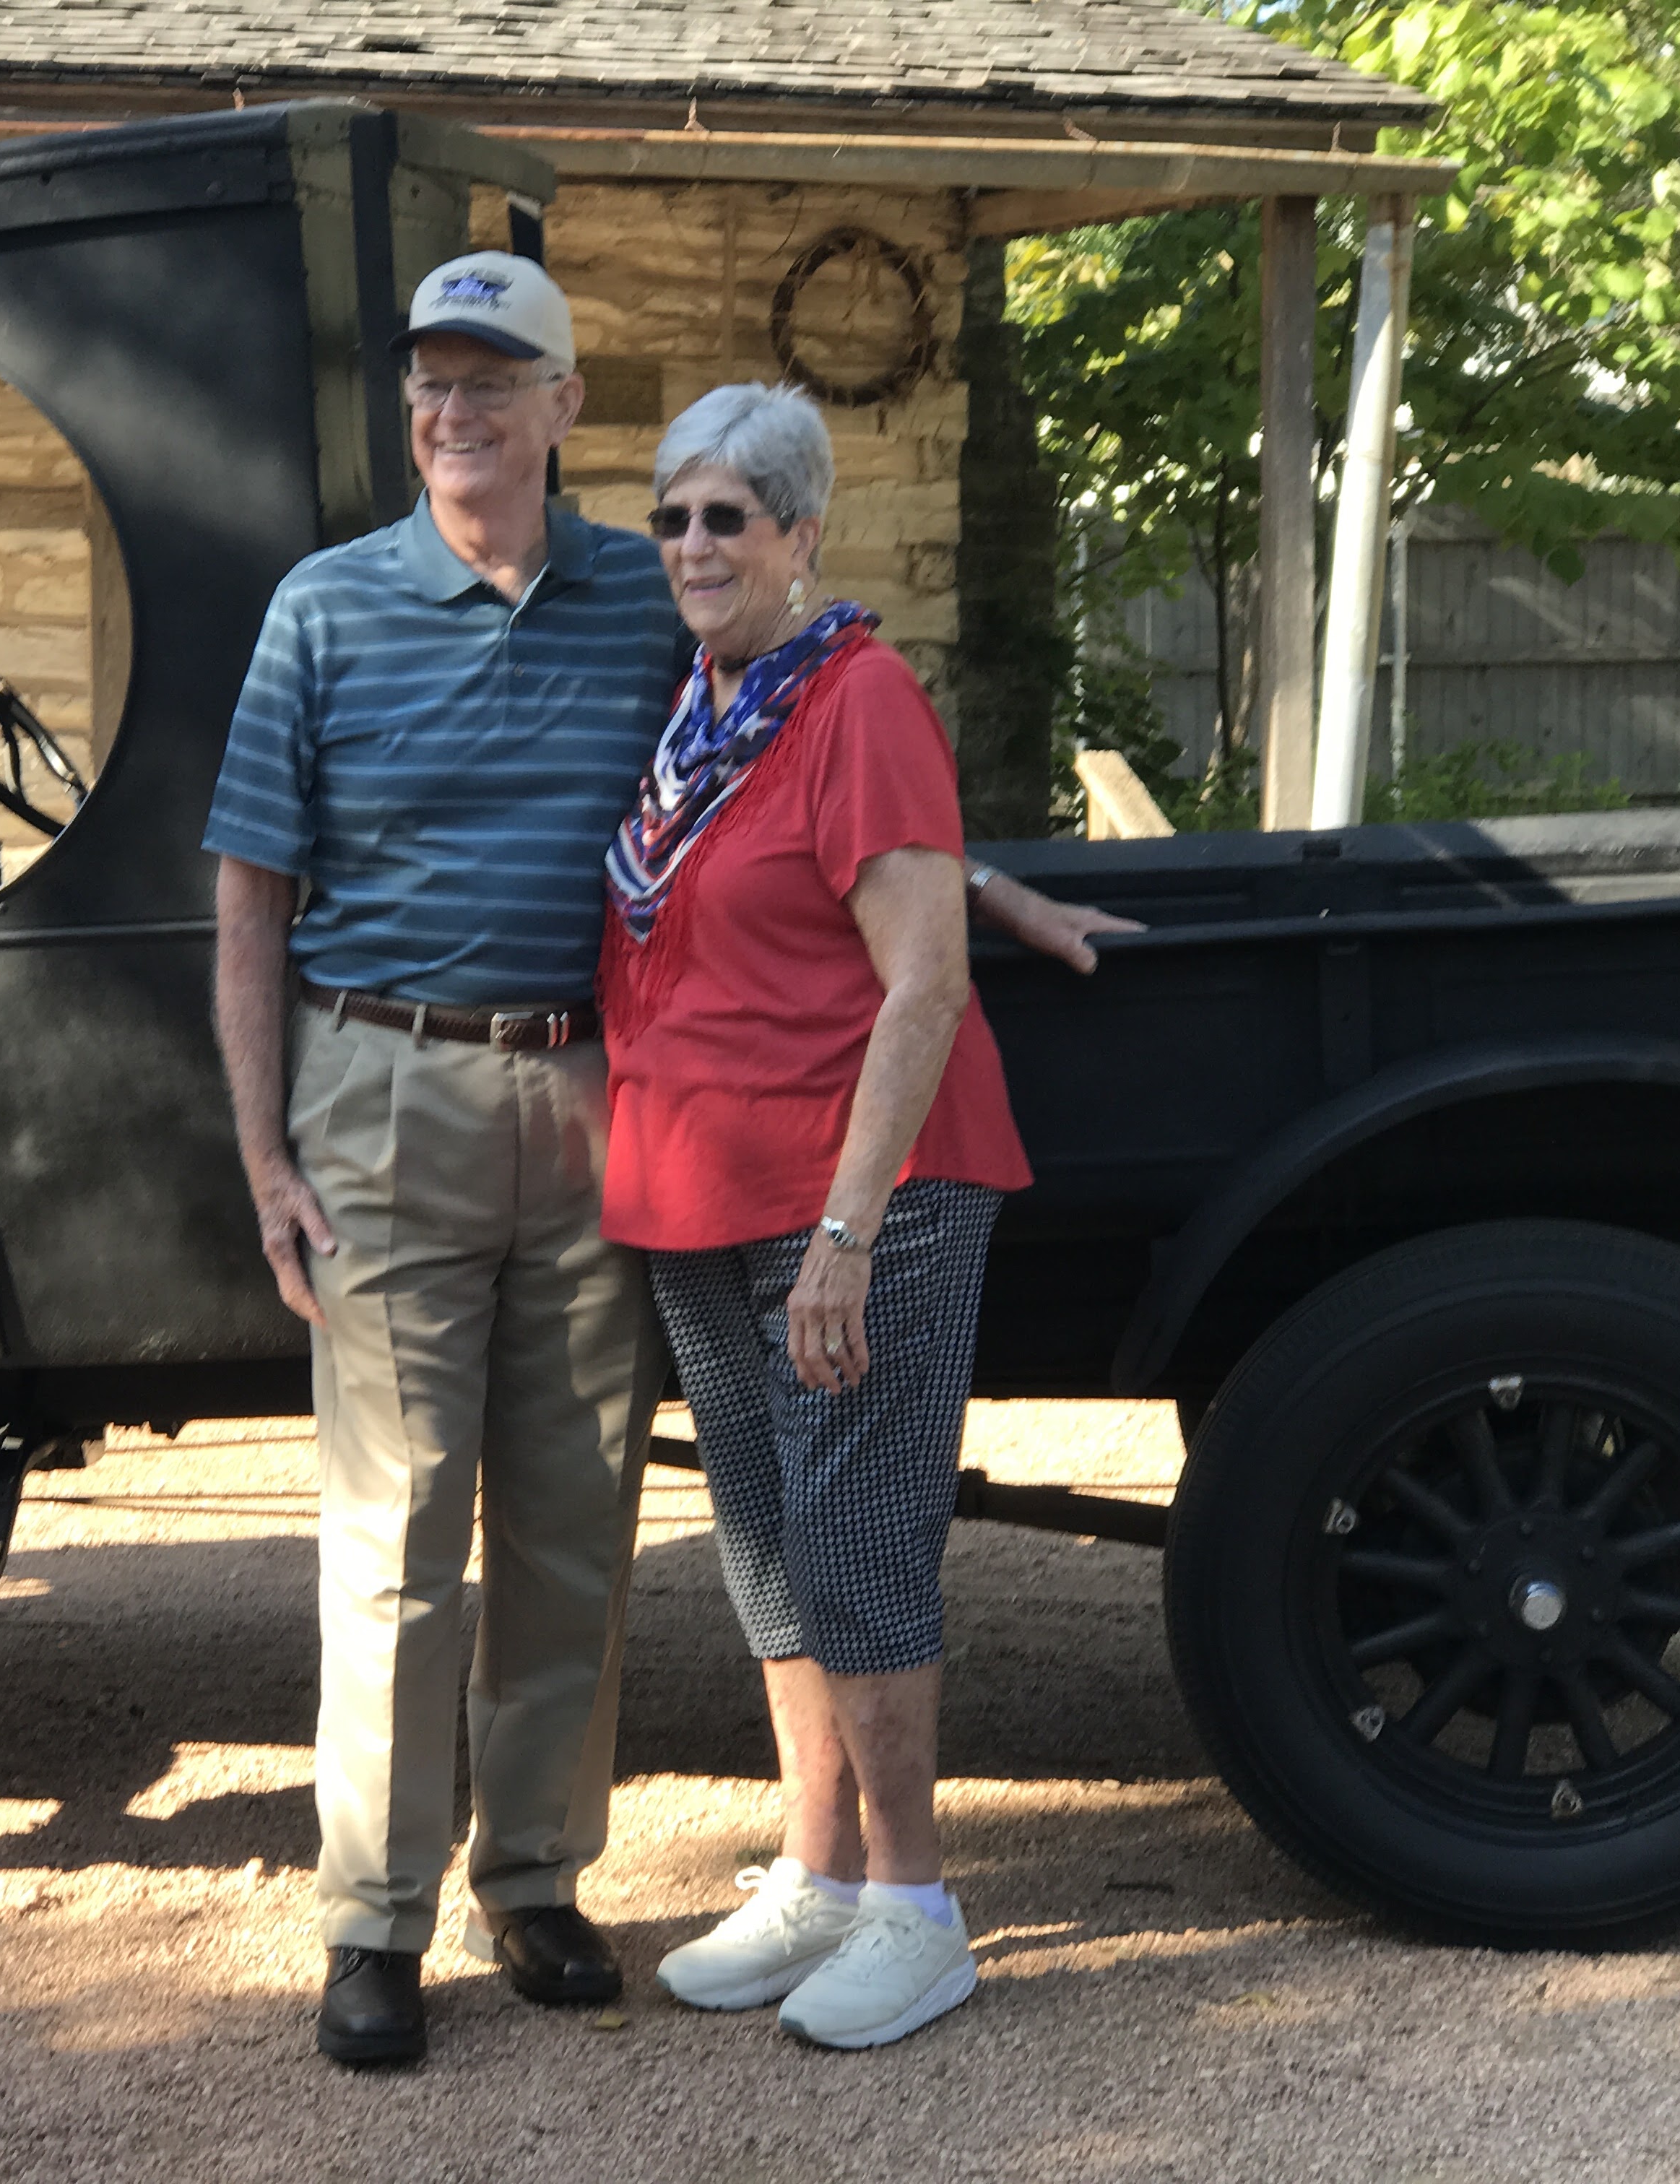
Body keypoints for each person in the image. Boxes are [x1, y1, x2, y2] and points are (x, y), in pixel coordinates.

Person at [597, 384, 1140, 2052]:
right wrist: (989, 870)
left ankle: (916, 1907)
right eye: (674, 517)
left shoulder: (858, 693)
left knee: (857, 1540)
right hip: (699, 1186)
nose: (695, 545)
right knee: (768, 1545)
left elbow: (923, 986)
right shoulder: (709, 712)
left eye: (728, 518)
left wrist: (846, 1234)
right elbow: (837, 861)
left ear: (801, 535)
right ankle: (820, 1874)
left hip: (853, 1192)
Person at [203, 251, 686, 2069]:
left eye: (493, 379)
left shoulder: (651, 598)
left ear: (567, 406)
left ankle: (537, 1875)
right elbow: (250, 900)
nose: (454, 411)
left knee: (575, 1516)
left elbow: (807, 751)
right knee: (396, 1527)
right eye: (432, 381)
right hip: (383, 1089)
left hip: (591, 1092)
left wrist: (968, 887)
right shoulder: (324, 609)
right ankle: (377, 1917)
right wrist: (265, 1154)